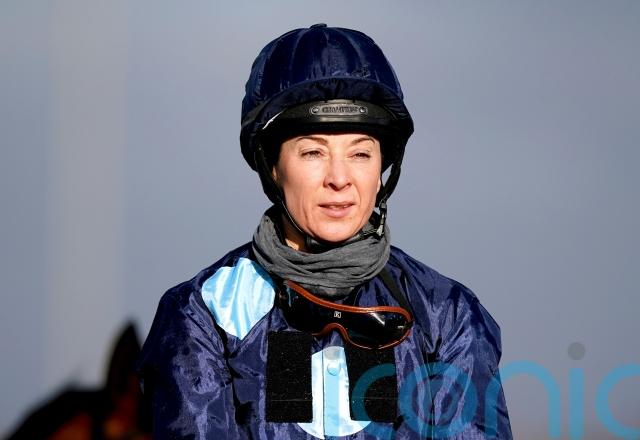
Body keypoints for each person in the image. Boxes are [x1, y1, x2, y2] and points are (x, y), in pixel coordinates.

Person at [137, 24, 512, 439]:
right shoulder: (203, 313)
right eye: (313, 152)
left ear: (382, 168)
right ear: (271, 166)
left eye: (360, 153)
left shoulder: (447, 315)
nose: (339, 178)